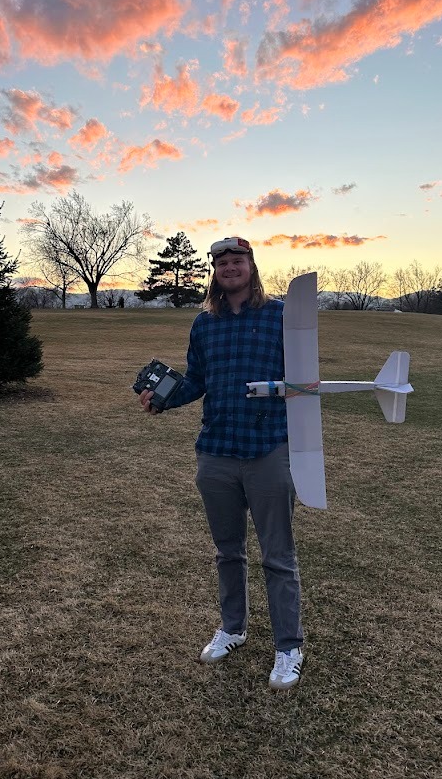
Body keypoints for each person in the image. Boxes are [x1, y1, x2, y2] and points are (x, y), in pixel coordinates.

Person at [139, 236, 304, 690]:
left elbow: (304, 377)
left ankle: (288, 647)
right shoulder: (204, 323)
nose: (230, 267)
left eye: (238, 261)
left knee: (278, 556)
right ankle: (233, 629)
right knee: (227, 552)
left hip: (269, 448)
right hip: (215, 451)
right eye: (223, 262)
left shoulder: (281, 315)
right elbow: (196, 380)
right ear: (215, 271)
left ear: (252, 267)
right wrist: (164, 401)